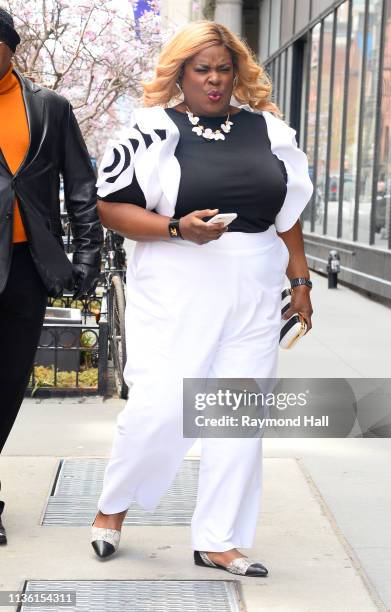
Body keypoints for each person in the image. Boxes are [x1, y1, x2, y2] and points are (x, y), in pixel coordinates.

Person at [92, 20, 313, 576]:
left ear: (237, 72)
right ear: (181, 73)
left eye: (223, 69)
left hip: (256, 289)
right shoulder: (150, 129)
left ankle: (220, 538)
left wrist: (301, 280)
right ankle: (113, 505)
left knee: (238, 416)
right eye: (201, 70)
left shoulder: (269, 130)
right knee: (161, 405)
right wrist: (174, 228)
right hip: (176, 283)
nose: (214, 81)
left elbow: (288, 213)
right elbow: (110, 207)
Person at [0, 7, 103, 545]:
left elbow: (81, 187)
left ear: (10, 46)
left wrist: (87, 258)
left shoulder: (50, 108)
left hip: (27, 266)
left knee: (10, 381)